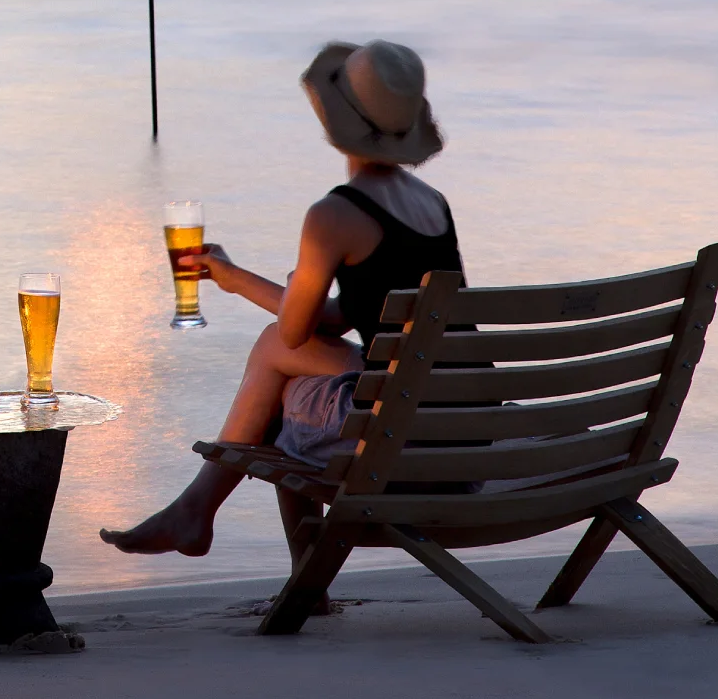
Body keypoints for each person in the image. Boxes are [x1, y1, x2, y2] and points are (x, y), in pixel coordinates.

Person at [101, 38, 461, 557]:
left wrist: (296, 277)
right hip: (456, 419)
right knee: (286, 361)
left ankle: (223, 528)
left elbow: (294, 334)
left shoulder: (335, 215)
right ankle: (195, 511)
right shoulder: (433, 204)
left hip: (402, 437)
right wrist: (233, 276)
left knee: (284, 372)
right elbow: (339, 319)